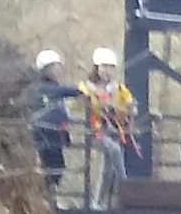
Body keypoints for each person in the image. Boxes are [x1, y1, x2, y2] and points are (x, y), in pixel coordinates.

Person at [79, 48, 139, 176]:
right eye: (104, 66)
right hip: (96, 130)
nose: (108, 71)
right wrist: (89, 100)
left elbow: (131, 105)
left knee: (109, 170)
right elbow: (77, 104)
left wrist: (129, 109)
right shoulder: (86, 87)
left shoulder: (119, 88)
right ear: (97, 68)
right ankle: (125, 184)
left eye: (111, 67)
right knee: (115, 150)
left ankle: (102, 196)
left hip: (115, 130)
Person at [23, 50, 74, 195]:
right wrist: (84, 91)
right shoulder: (44, 88)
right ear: (45, 70)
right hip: (45, 134)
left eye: (58, 66)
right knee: (51, 167)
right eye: (54, 66)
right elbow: (67, 91)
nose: (58, 70)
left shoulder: (51, 87)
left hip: (54, 134)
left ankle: (49, 192)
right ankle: (46, 193)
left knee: (57, 167)